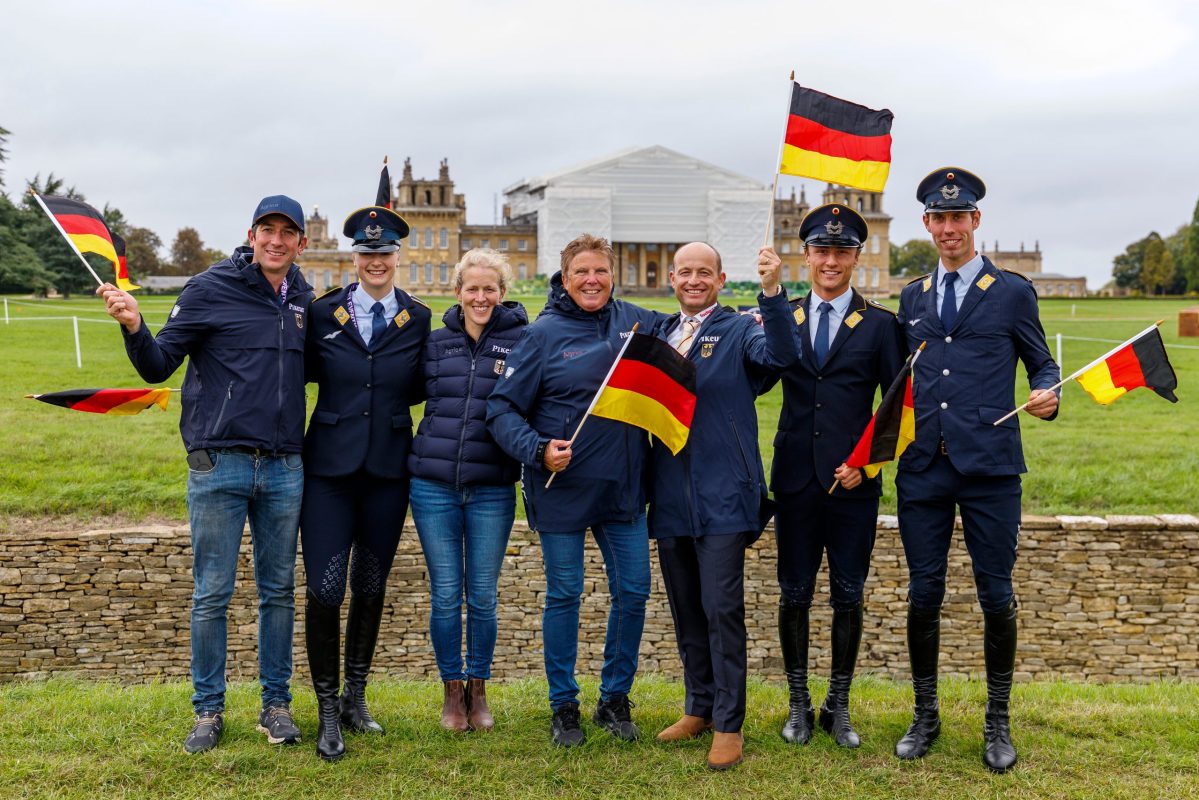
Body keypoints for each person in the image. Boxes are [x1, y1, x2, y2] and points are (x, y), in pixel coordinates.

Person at [96, 195, 313, 753]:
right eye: (268, 230)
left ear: (300, 243)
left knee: (279, 593)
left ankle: (276, 706)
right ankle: (208, 711)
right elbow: (157, 364)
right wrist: (135, 326)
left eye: (288, 233)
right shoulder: (209, 287)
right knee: (211, 594)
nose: (276, 240)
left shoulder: (305, 300)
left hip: (285, 465)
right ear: (251, 234)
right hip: (219, 463)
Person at [893, 167, 1059, 772]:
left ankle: (996, 721)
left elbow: (1042, 365)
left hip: (990, 467)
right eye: (938, 218)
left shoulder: (1012, 291)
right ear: (928, 225)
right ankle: (925, 715)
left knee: (995, 595)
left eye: (957, 217)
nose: (948, 228)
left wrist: (1049, 394)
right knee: (924, 592)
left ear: (975, 221)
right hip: (924, 468)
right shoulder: (912, 296)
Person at [486, 234, 662, 747]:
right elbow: (501, 410)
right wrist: (537, 449)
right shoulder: (541, 335)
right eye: (581, 272)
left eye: (601, 272)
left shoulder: (638, 322)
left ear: (614, 276)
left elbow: (692, 330)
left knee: (633, 591)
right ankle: (563, 705)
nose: (592, 280)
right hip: (561, 486)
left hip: (623, 487)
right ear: (565, 278)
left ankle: (615, 697)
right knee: (565, 593)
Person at [647, 242, 794, 770]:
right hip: (669, 495)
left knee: (721, 609)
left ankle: (729, 723)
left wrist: (773, 292)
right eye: (684, 272)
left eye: (703, 272)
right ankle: (699, 707)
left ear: (721, 278)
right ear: (671, 277)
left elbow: (781, 356)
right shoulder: (656, 335)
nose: (693, 280)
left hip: (725, 494)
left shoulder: (740, 330)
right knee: (687, 609)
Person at [768, 204, 906, 750]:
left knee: (848, 596)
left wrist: (868, 462)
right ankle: (799, 705)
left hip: (853, 484)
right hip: (796, 480)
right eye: (820, 251)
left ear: (854, 258)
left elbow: (897, 404)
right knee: (794, 595)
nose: (830, 260)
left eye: (841, 252)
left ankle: (838, 706)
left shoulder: (879, 325)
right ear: (805, 256)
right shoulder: (785, 319)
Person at [300, 197, 431, 760]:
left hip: (387, 471)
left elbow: (430, 380)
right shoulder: (322, 313)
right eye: (366, 251)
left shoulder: (418, 317)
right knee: (325, 588)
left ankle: (356, 698)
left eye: (385, 251)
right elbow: (293, 374)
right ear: (355, 256)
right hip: (329, 469)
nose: (375, 260)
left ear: (398, 255)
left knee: (372, 586)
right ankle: (327, 709)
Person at [408, 249, 528, 732]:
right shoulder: (434, 344)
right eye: (472, 288)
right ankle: (451, 693)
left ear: (501, 294)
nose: (481, 297)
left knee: (481, 596)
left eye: (490, 289)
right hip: (432, 486)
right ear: (457, 291)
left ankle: (479, 691)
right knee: (444, 595)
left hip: (492, 487)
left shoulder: (524, 342)